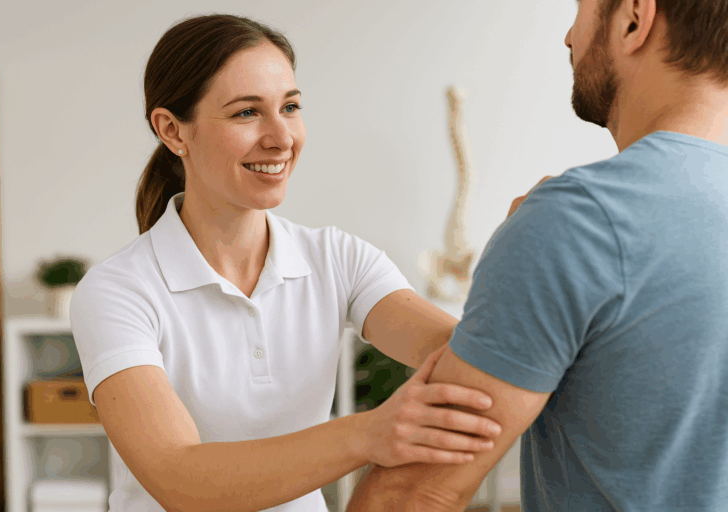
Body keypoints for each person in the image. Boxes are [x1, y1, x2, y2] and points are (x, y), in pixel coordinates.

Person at [69, 14, 507, 512]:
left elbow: (466, 356)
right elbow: (178, 478)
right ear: (172, 131)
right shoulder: (117, 290)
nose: (282, 138)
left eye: (290, 107)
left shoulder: (339, 259)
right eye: (245, 113)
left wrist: (526, 250)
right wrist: (366, 435)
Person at [346, 0, 728, 510]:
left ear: (634, 20)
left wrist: (535, 240)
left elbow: (416, 493)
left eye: (581, 10)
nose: (569, 38)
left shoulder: (580, 221)